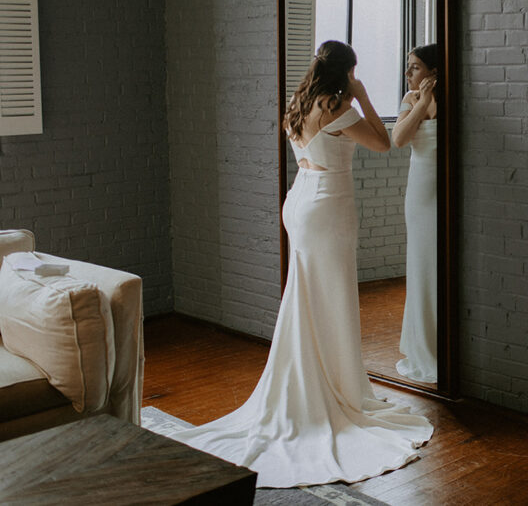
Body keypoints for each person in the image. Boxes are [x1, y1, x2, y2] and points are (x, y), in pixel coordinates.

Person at [165, 41, 432, 488]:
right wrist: (363, 95)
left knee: (307, 297)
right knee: (332, 298)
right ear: (346, 72)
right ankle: (333, 389)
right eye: (354, 72)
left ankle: (318, 380)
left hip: (300, 201)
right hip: (328, 206)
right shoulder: (337, 105)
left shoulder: (300, 101)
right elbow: (384, 143)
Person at [391, 44, 439, 384]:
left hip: (448, 189)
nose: (409, 74)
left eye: (415, 67)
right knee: (423, 264)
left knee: (440, 267)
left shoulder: (451, 99)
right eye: (409, 67)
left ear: (434, 72)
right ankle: (423, 346)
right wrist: (421, 103)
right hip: (421, 192)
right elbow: (399, 139)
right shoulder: (411, 100)